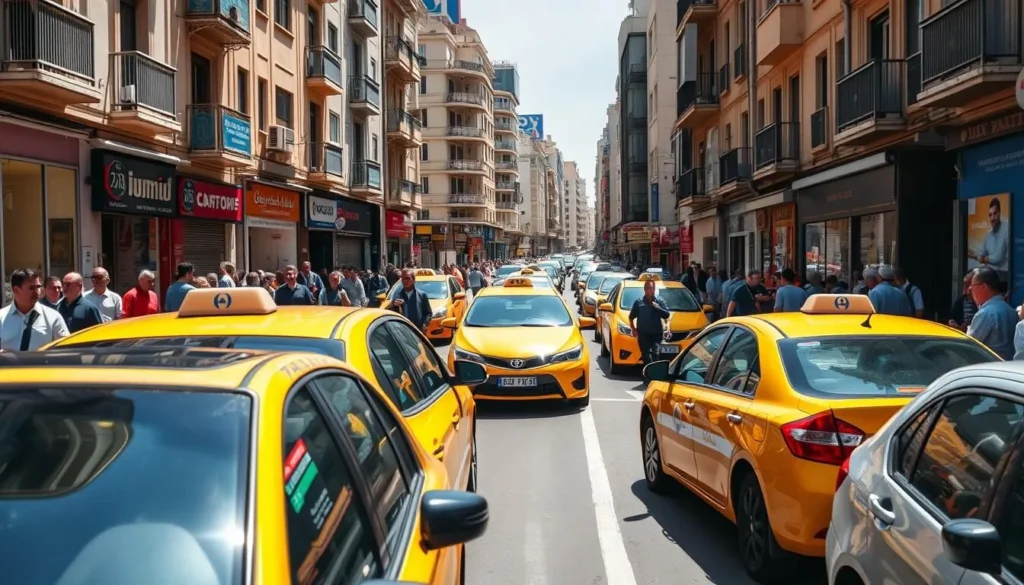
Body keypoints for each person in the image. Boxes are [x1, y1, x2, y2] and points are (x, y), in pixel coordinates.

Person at [0, 269, 69, 351]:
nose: (37, 291)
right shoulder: (1, 317)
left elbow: (66, 349)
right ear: (16, 290)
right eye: (31, 288)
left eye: (38, 287)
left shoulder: (53, 317)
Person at [966, 267, 1017, 360]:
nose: (970, 291)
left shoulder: (986, 313)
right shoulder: (1011, 310)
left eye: (972, 286)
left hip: (989, 367)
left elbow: (969, 345)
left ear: (983, 287)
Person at [629, 279, 670, 366]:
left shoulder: (659, 301)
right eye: (647, 288)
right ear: (644, 289)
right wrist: (633, 329)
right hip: (643, 334)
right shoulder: (638, 302)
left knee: (656, 354)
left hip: (656, 334)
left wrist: (658, 308)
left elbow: (666, 315)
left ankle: (654, 374)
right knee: (646, 356)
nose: (649, 290)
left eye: (651, 288)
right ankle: (648, 375)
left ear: (654, 289)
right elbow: (631, 317)